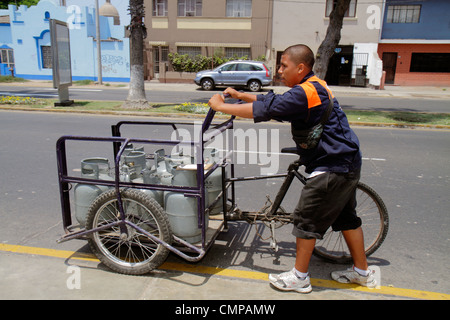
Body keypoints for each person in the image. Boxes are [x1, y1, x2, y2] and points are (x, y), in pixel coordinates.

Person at [208, 44, 377, 293]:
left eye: (284, 65)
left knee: (306, 218)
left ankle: (300, 278)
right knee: (346, 218)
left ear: (300, 67)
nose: (279, 70)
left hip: (332, 165)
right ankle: (362, 272)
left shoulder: (303, 93)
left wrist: (220, 106)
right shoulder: (313, 86)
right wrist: (243, 95)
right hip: (345, 161)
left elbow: (266, 109)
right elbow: (274, 101)